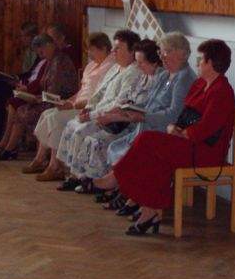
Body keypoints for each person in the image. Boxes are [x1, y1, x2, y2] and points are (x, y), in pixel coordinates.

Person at [95, 39, 235, 236]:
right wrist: (176, 128)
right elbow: (185, 113)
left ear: (211, 63)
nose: (198, 63)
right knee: (154, 154)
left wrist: (181, 132)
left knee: (147, 140)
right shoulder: (200, 84)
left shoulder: (222, 91)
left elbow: (207, 128)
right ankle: (149, 211)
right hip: (188, 143)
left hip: (205, 152)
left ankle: (117, 178)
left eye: (201, 59)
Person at [101, 32, 196, 211]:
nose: (162, 56)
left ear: (181, 53)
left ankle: (130, 194)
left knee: (137, 149)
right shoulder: (165, 75)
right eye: (161, 51)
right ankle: (128, 192)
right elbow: (148, 102)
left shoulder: (184, 78)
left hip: (165, 131)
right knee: (116, 146)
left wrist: (143, 116)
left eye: (166, 51)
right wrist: (127, 109)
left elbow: (173, 115)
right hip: (148, 127)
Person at [65, 39, 162, 189]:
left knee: (95, 139)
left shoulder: (156, 78)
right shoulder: (143, 76)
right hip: (125, 119)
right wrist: (95, 109)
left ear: (154, 63)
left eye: (141, 62)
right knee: (85, 132)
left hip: (132, 125)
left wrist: (112, 114)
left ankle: (100, 182)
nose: (138, 66)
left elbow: (147, 108)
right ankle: (85, 178)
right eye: (137, 62)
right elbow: (111, 96)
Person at [55, 29, 142, 191]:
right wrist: (88, 107)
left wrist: (92, 115)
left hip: (116, 121)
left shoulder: (134, 72)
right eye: (114, 47)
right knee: (71, 125)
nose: (113, 51)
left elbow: (119, 104)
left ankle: (85, 177)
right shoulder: (116, 68)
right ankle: (74, 175)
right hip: (98, 112)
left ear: (132, 51)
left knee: (81, 131)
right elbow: (99, 92)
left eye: (118, 48)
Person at [22, 32, 115, 178]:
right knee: (47, 114)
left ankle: (55, 166)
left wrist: (73, 105)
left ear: (103, 48)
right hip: (77, 103)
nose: (89, 54)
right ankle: (40, 159)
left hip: (89, 108)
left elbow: (98, 97)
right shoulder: (91, 66)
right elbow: (82, 91)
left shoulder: (110, 67)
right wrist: (69, 101)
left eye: (92, 50)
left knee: (56, 118)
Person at [0, 34, 78, 160]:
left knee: (24, 112)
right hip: (49, 98)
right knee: (20, 109)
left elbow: (55, 91)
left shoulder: (59, 62)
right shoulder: (51, 60)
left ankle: (13, 150)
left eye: (42, 52)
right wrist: (36, 97)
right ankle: (10, 149)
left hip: (60, 102)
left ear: (49, 45)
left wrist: (38, 98)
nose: (41, 56)